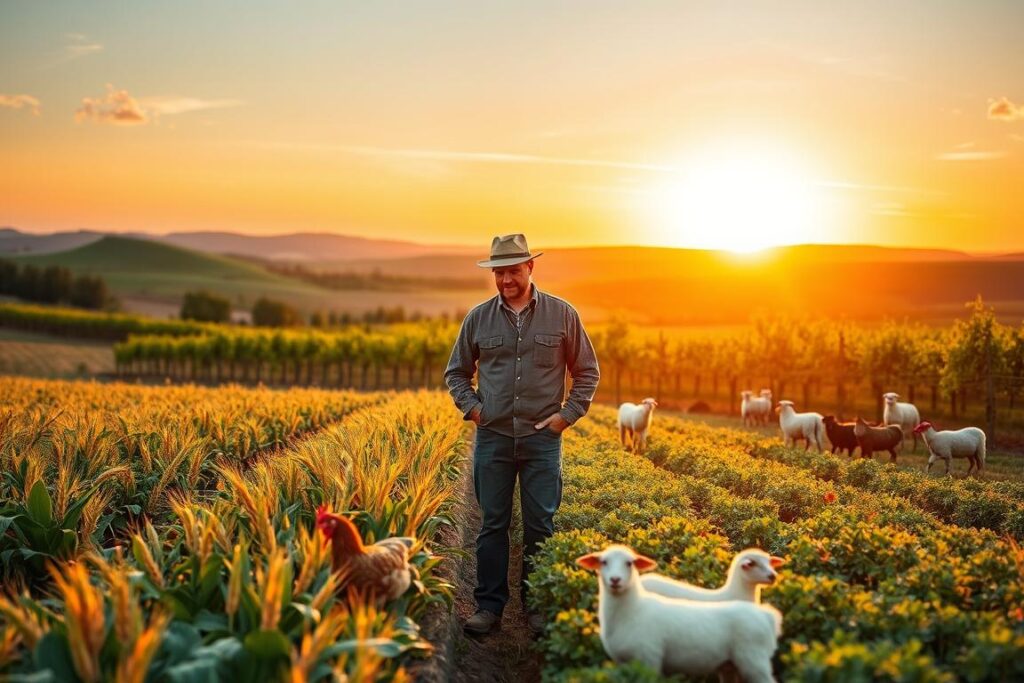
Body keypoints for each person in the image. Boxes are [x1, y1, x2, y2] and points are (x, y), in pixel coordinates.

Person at [444, 233, 600, 636]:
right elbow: (456, 373)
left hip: (542, 441)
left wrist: (565, 417)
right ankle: (489, 607)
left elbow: (587, 373)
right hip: (493, 438)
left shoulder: (562, 314)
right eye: (499, 273)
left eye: (513, 271)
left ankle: (537, 607)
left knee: (540, 525)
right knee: (493, 524)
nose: (506, 280)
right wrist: (475, 410)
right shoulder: (478, 318)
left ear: (530, 268)